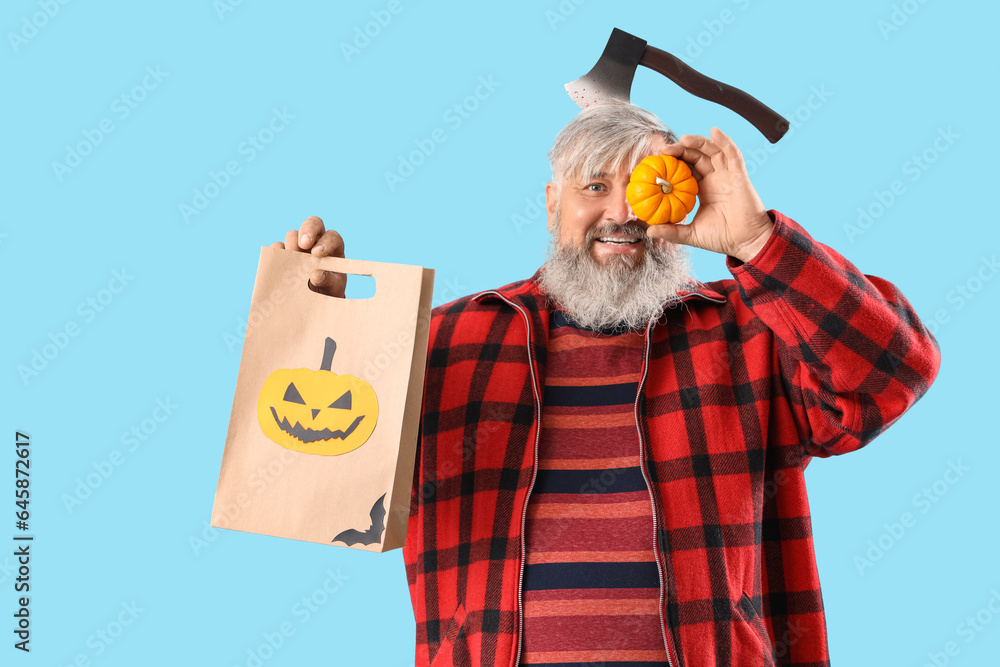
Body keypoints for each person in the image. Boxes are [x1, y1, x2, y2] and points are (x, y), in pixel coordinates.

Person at [273, 102, 940, 666]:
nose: (622, 211)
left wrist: (758, 241)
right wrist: (319, 338)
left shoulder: (751, 338)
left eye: (649, 183)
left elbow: (893, 371)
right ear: (551, 202)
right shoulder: (448, 343)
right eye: (594, 186)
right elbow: (324, 494)